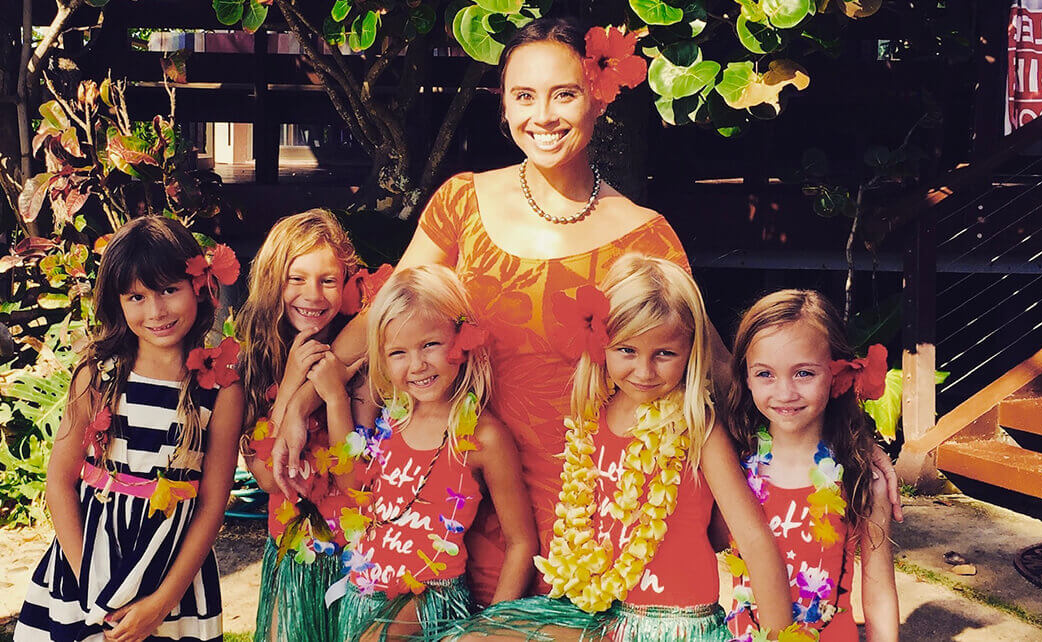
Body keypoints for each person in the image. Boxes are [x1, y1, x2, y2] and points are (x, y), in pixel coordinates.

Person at [270, 16, 900, 606]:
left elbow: (724, 370)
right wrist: (298, 400)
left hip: (602, 520)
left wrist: (853, 437)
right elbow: (385, 315)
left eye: (563, 94)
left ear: (599, 98)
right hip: (473, 504)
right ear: (504, 104)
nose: (542, 116)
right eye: (523, 96)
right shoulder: (463, 202)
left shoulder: (643, 233)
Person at [455, 255, 793, 641]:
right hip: (598, 615)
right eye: (626, 351)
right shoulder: (593, 416)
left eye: (664, 354)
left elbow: (753, 539)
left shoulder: (698, 427)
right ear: (601, 345)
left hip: (670, 624)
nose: (644, 371)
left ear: (691, 351)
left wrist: (778, 635)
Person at [15, 216, 244, 642]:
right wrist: (91, 582)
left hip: (173, 580)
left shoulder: (219, 387)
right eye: (136, 296)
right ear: (116, 302)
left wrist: (159, 603)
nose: (155, 311)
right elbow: (60, 481)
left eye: (169, 290)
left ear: (198, 285)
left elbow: (213, 505)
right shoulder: (98, 374)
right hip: (85, 566)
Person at [320, 265, 536, 641]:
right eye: (398, 353)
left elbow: (521, 542)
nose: (417, 365)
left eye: (430, 345)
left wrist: (488, 630)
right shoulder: (392, 419)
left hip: (429, 601)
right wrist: (336, 399)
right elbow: (353, 482)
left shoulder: (483, 436)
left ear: (461, 340)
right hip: (364, 595)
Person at [722, 290, 899, 641]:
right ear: (745, 378)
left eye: (803, 373)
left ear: (837, 373)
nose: (785, 392)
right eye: (765, 374)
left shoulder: (861, 478)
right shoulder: (732, 471)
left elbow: (878, 596)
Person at [235, 209, 376, 642]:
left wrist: (334, 393)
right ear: (273, 280)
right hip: (294, 556)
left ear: (347, 283)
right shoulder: (254, 364)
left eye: (327, 280)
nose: (312, 295)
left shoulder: (362, 359)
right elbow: (267, 479)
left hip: (357, 556)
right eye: (296, 279)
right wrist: (294, 383)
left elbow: (357, 476)